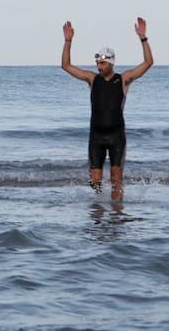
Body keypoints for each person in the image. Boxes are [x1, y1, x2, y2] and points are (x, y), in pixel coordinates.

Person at [60, 18, 154, 200]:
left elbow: (148, 62)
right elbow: (66, 66)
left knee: (116, 181)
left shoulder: (124, 79)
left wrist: (143, 38)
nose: (98, 66)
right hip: (96, 136)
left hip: (116, 136)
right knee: (94, 181)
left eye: (102, 63)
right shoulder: (92, 79)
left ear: (111, 63)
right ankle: (99, 204)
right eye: (97, 63)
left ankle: (117, 210)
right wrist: (68, 41)